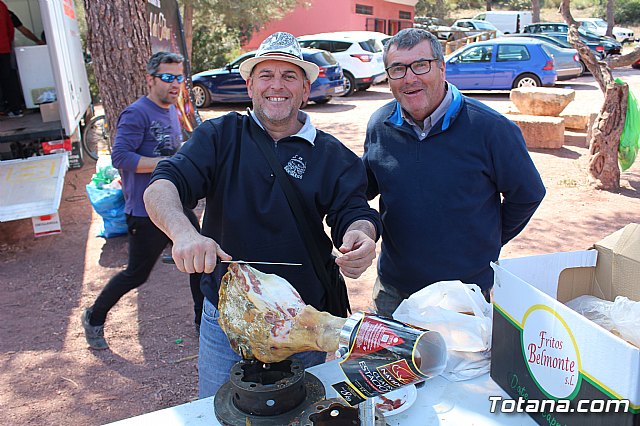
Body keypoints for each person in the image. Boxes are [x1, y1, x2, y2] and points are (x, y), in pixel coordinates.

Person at [143, 32, 381, 397]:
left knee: (305, 415)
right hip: (227, 315)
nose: (277, 86)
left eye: (289, 77)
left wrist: (361, 236)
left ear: (305, 88)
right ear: (250, 84)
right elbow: (162, 186)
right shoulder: (219, 136)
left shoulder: (331, 154)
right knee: (217, 411)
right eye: (266, 75)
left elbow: (354, 212)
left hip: (303, 321)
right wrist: (184, 233)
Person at [363, 28, 546, 317]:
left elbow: (528, 194)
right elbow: (364, 186)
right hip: (393, 290)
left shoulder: (491, 129)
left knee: (456, 364)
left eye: (421, 65)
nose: (410, 78)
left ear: (441, 67)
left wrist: (489, 239)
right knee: (385, 363)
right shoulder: (380, 124)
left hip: (463, 297)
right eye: (398, 69)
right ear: (388, 78)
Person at [81, 51, 205, 350]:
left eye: (179, 77)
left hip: (175, 205)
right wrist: (169, 160)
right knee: (136, 274)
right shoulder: (137, 113)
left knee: (200, 262)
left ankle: (203, 323)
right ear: (151, 79)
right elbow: (121, 157)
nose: (175, 84)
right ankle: (94, 317)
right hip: (146, 211)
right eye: (167, 77)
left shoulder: (172, 111)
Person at [0, 1, 22, 117]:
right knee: (8, 79)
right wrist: (7, 44)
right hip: (3, 49)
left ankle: (2, 108)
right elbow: (10, 29)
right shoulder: (2, 6)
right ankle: (15, 109)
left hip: (4, 47)